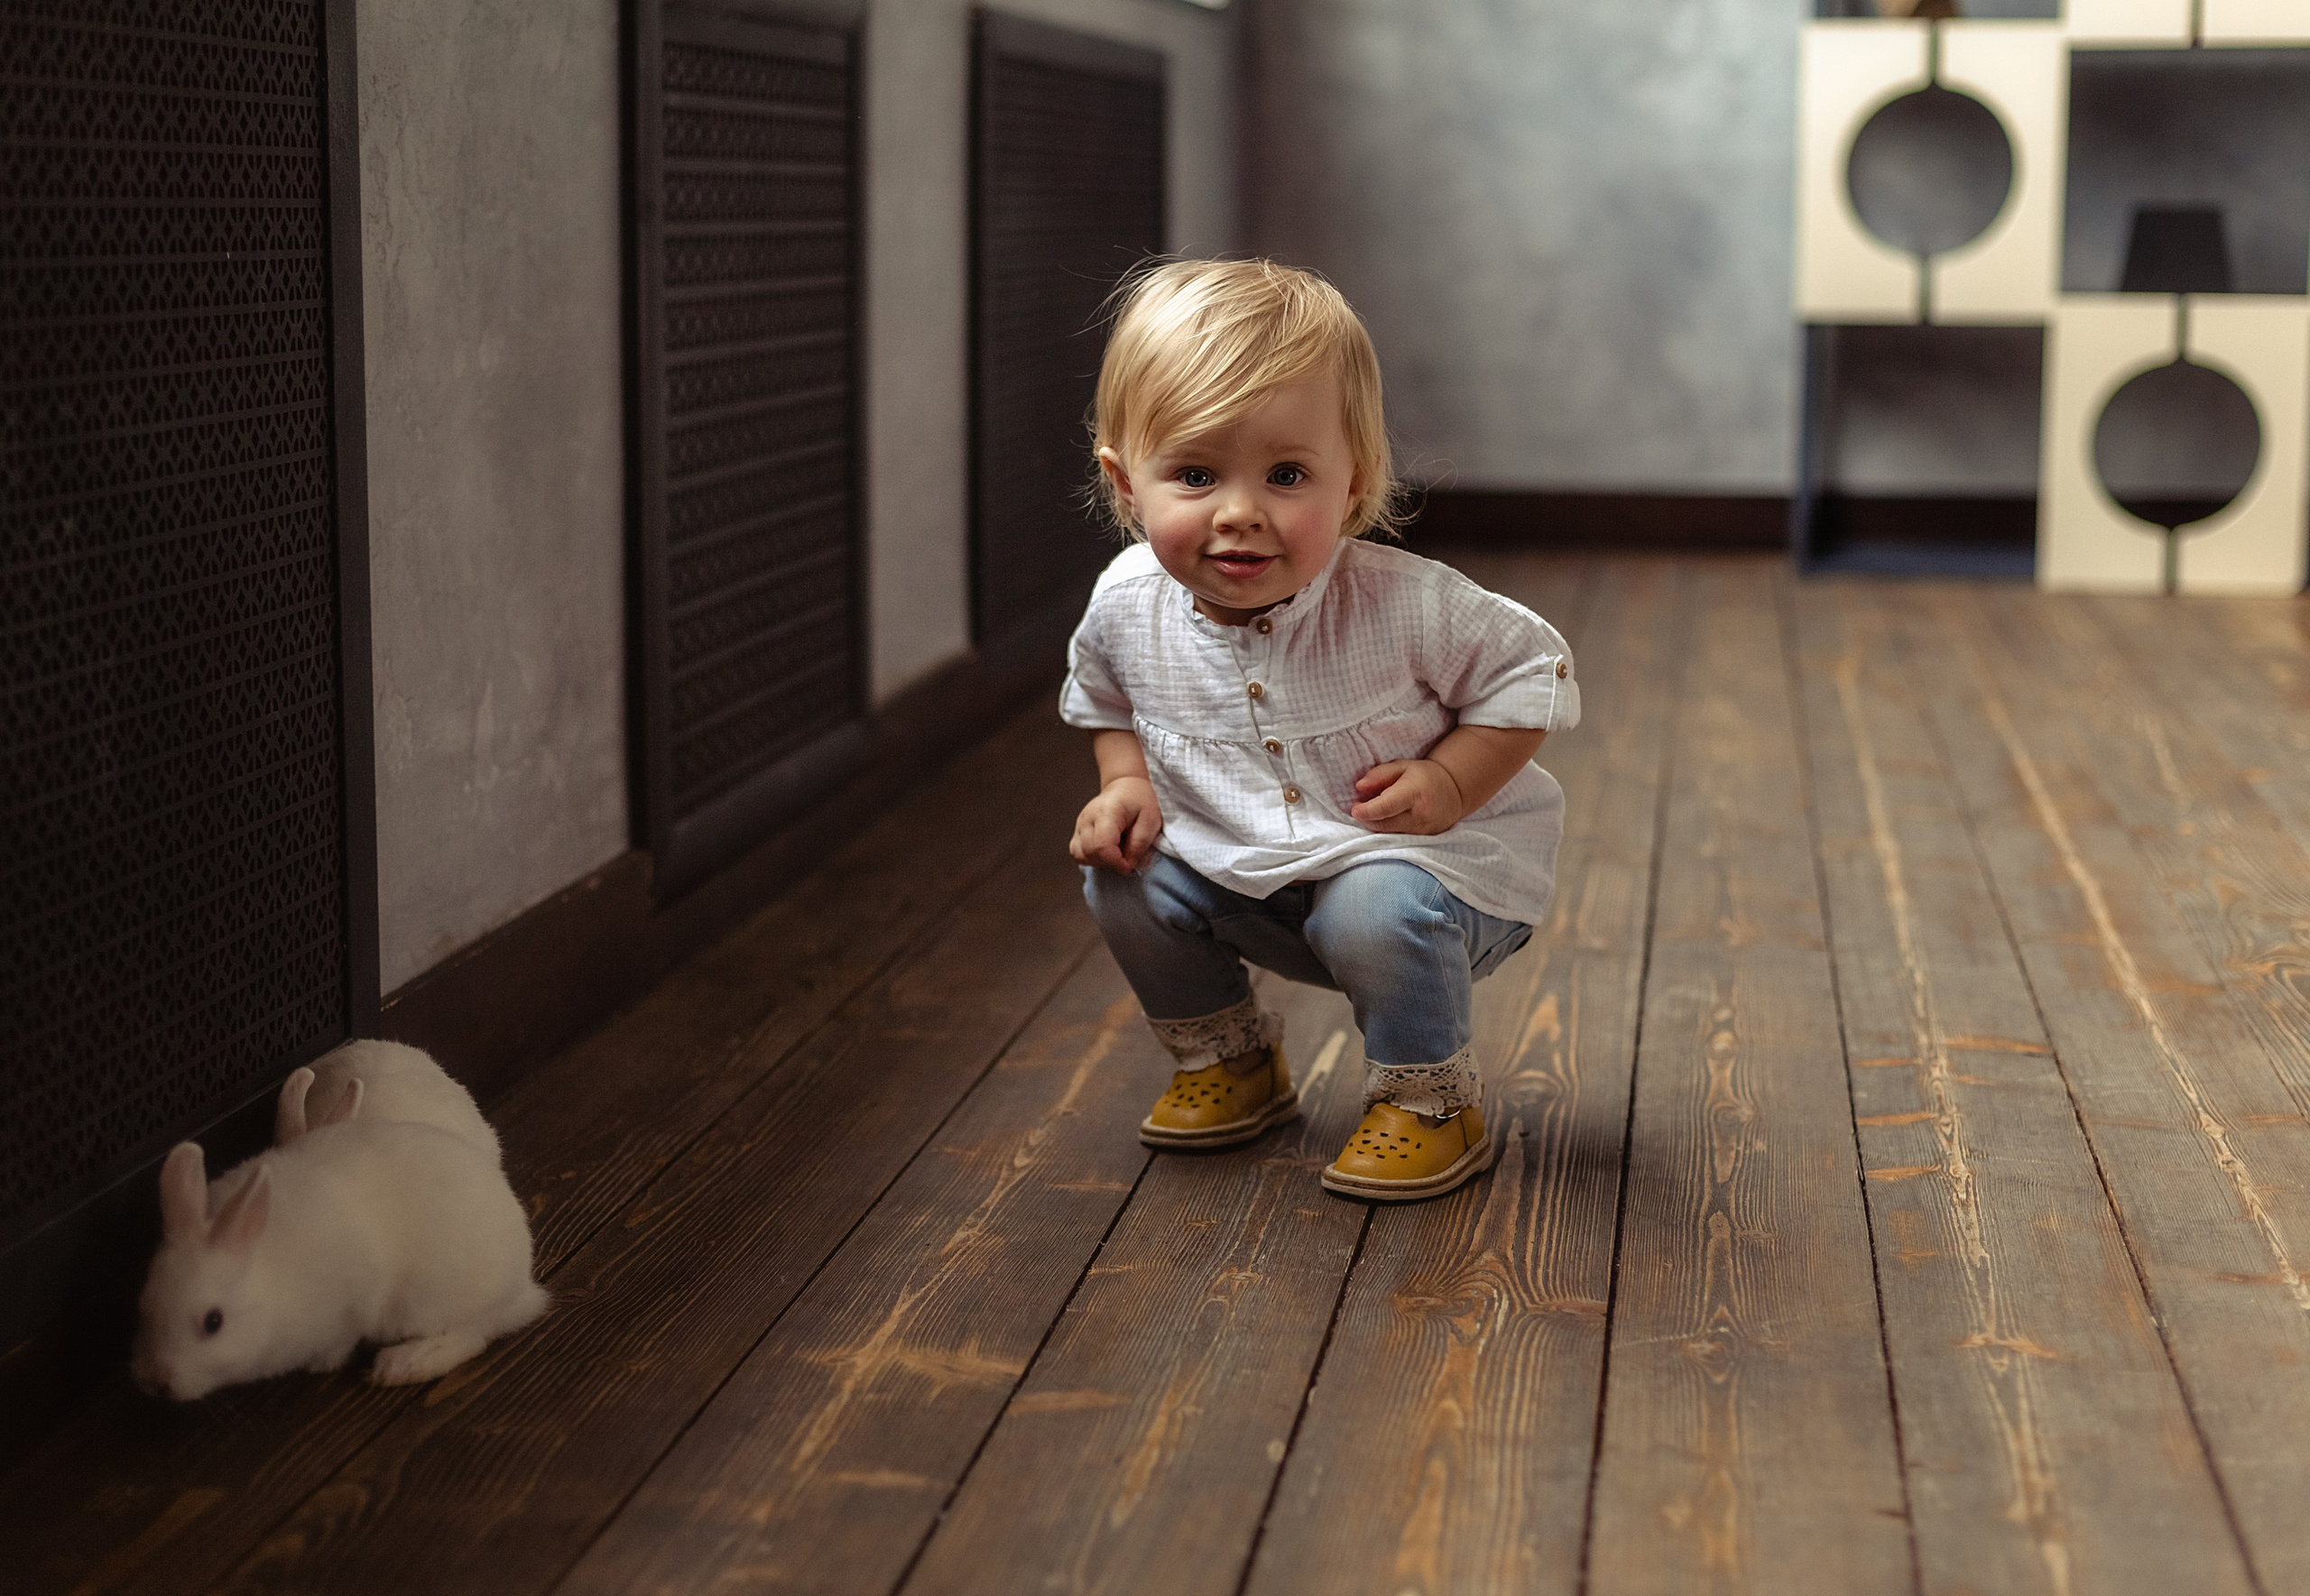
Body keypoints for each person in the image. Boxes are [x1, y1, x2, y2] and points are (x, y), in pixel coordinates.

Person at [1062, 258, 1580, 1202]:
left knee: (1370, 904)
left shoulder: (1404, 604)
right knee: (1121, 870)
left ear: (1353, 481)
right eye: (1193, 474)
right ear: (1126, 483)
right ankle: (1231, 1055)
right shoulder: (1125, 602)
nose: (1239, 513)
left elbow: (1529, 671)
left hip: (1423, 875)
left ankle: (1430, 1099)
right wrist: (1124, 783)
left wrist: (1456, 780)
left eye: (1287, 474)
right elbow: (1103, 695)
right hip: (1243, 864)